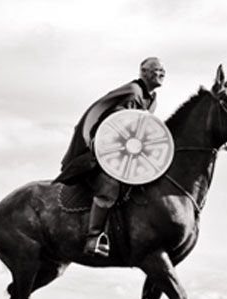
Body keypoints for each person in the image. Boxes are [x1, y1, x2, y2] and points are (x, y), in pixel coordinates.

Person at [56, 57, 165, 257]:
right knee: (110, 185)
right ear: (144, 72)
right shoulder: (133, 93)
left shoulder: (152, 99)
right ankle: (94, 237)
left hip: (125, 154)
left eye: (162, 71)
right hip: (102, 153)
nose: (161, 73)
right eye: (156, 70)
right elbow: (116, 125)